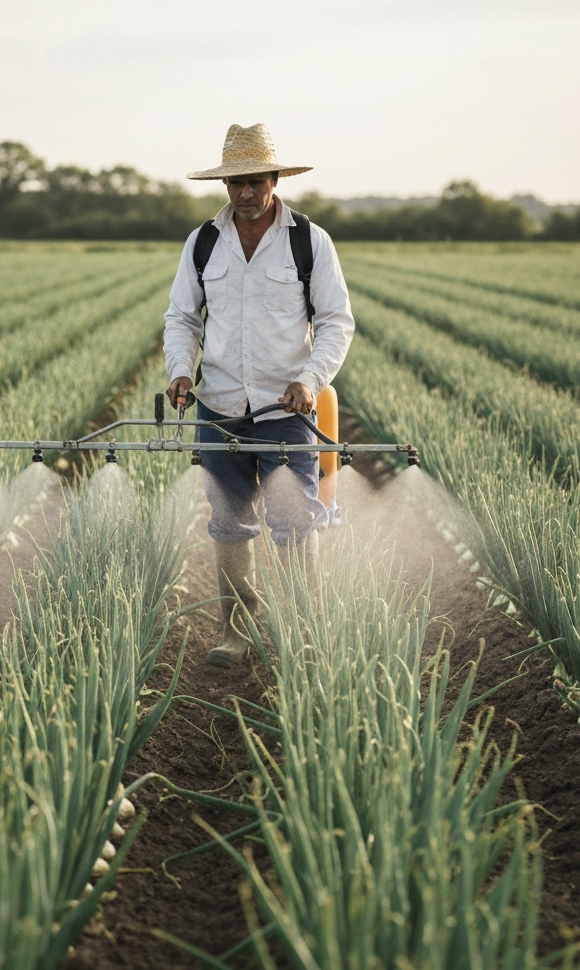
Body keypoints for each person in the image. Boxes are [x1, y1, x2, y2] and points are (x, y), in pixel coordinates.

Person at [163, 123, 354, 667]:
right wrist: (180, 370)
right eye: (235, 183)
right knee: (228, 522)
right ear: (225, 184)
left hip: (285, 408)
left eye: (255, 182)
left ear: (273, 178)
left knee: (295, 521)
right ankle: (236, 633)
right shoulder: (203, 242)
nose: (245, 193)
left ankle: (303, 635)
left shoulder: (307, 241)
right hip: (219, 406)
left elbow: (337, 321)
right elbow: (181, 317)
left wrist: (310, 380)